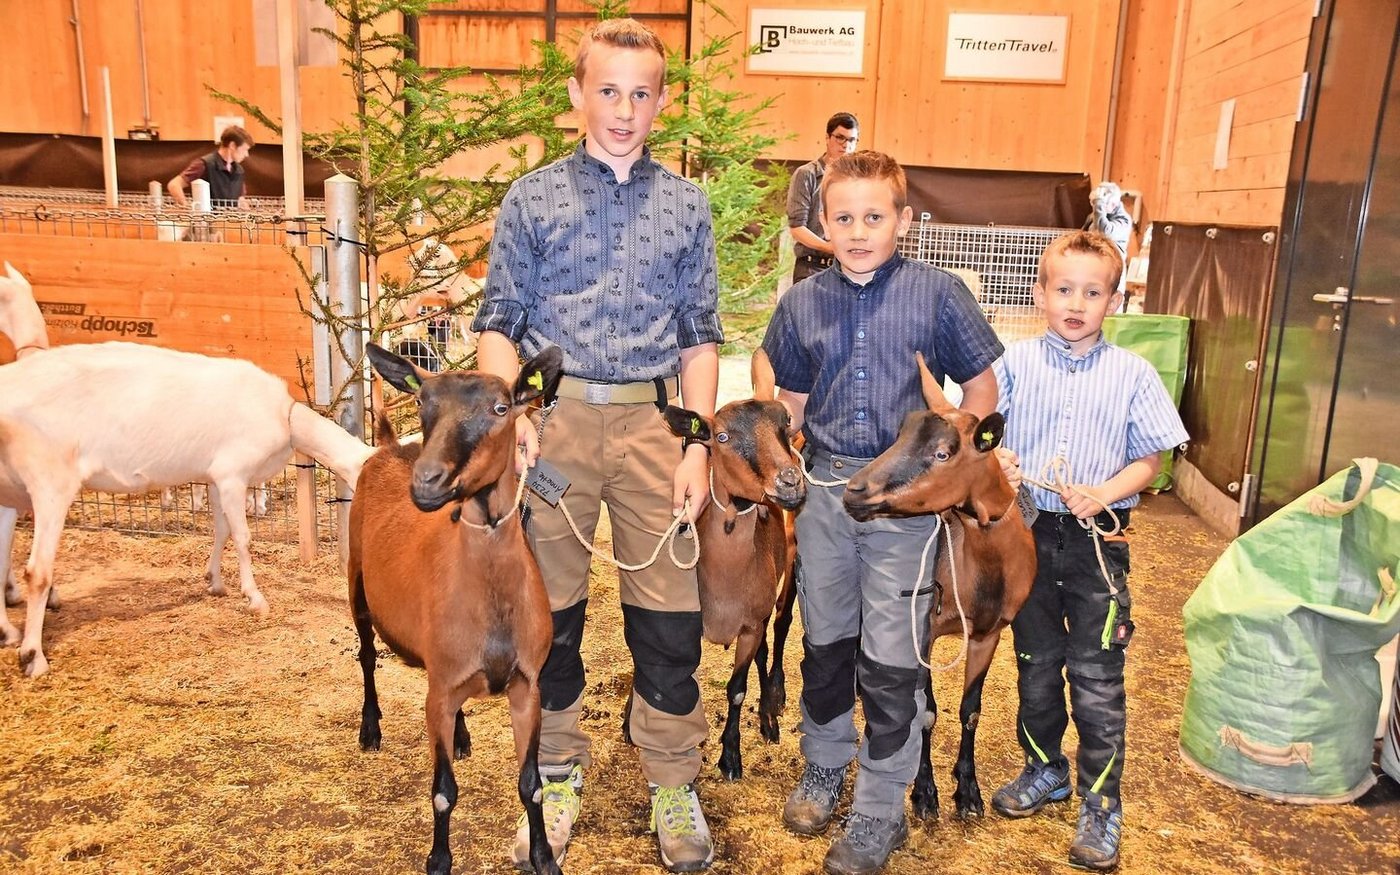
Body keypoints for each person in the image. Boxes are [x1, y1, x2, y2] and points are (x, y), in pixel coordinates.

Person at [470, 17, 722, 874]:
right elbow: (499, 323)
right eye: (607, 90)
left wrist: (696, 444)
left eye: (641, 93)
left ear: (661, 102)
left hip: (656, 426)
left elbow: (699, 336)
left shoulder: (687, 206)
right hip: (557, 426)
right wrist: (515, 419)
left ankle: (673, 780)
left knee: (668, 617)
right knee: (552, 617)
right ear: (578, 94)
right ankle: (555, 770)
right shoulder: (531, 201)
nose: (624, 108)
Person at [762, 150, 1003, 875]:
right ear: (822, 222)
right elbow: (792, 404)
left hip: (903, 501)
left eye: (875, 216)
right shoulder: (802, 303)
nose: (859, 230)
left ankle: (878, 807)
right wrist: (768, 429)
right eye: (843, 218)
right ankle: (825, 762)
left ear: (903, 219)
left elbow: (982, 387)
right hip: (828, 493)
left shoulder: (939, 295)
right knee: (827, 640)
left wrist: (951, 454)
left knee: (893, 657)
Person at [989, 230, 1188, 872]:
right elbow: (987, 434)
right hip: (1029, 535)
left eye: (1093, 292)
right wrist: (1003, 460)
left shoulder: (1133, 374)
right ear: (1041, 292)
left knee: (1097, 675)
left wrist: (1103, 492)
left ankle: (1102, 805)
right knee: (1035, 661)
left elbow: (1152, 460)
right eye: (1064, 289)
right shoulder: (1013, 364)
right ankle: (1043, 768)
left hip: (1098, 543)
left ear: (1114, 300)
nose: (1077, 303)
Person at [786, 112, 859, 284]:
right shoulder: (807, 175)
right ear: (827, 137)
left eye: (851, 140)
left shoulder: (858, 181)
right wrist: (829, 247)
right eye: (840, 138)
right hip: (811, 267)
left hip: (846, 268)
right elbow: (797, 228)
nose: (845, 145)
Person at [167, 125, 253, 209]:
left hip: (231, 222)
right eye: (245, 149)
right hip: (209, 222)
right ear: (232, 145)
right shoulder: (204, 164)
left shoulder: (239, 170)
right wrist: (186, 207)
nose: (247, 154)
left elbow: (240, 198)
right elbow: (174, 185)